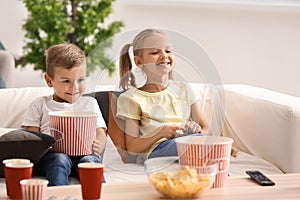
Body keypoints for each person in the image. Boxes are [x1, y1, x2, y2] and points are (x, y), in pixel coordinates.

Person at [116, 29, 210, 163]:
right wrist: (161, 132)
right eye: (155, 52)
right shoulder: (132, 98)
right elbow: (132, 148)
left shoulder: (184, 89)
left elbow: (206, 129)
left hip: (190, 142)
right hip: (158, 150)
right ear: (138, 62)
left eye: (168, 51)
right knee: (191, 147)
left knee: (203, 147)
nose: (164, 56)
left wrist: (196, 131)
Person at [21, 43, 107, 186]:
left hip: (85, 154)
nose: (75, 87)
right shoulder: (40, 104)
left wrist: (99, 145)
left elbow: (100, 132)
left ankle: (102, 195)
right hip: (53, 157)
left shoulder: (90, 103)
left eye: (81, 80)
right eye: (66, 81)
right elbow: (31, 135)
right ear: (49, 80)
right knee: (59, 160)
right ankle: (59, 195)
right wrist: (42, 146)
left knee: (91, 162)